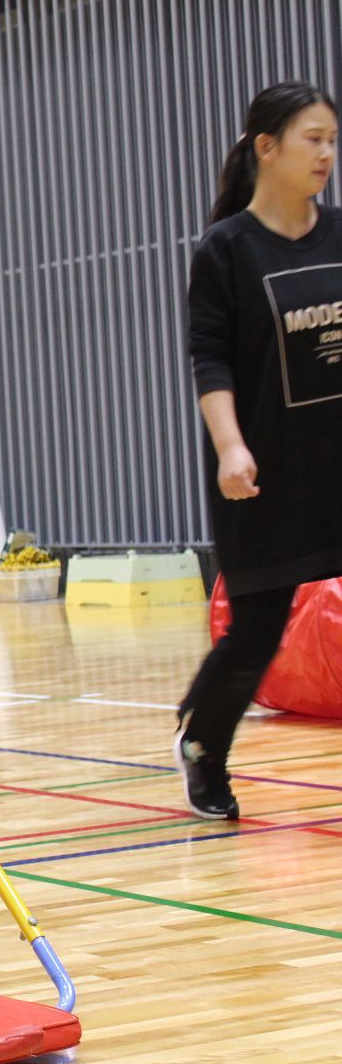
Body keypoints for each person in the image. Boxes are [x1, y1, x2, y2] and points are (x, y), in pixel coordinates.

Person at [177, 80, 341, 821]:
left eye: (332, 141)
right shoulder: (225, 251)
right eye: (313, 140)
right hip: (267, 478)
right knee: (255, 639)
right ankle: (204, 746)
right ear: (266, 149)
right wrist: (231, 448)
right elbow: (209, 361)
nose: (327, 155)